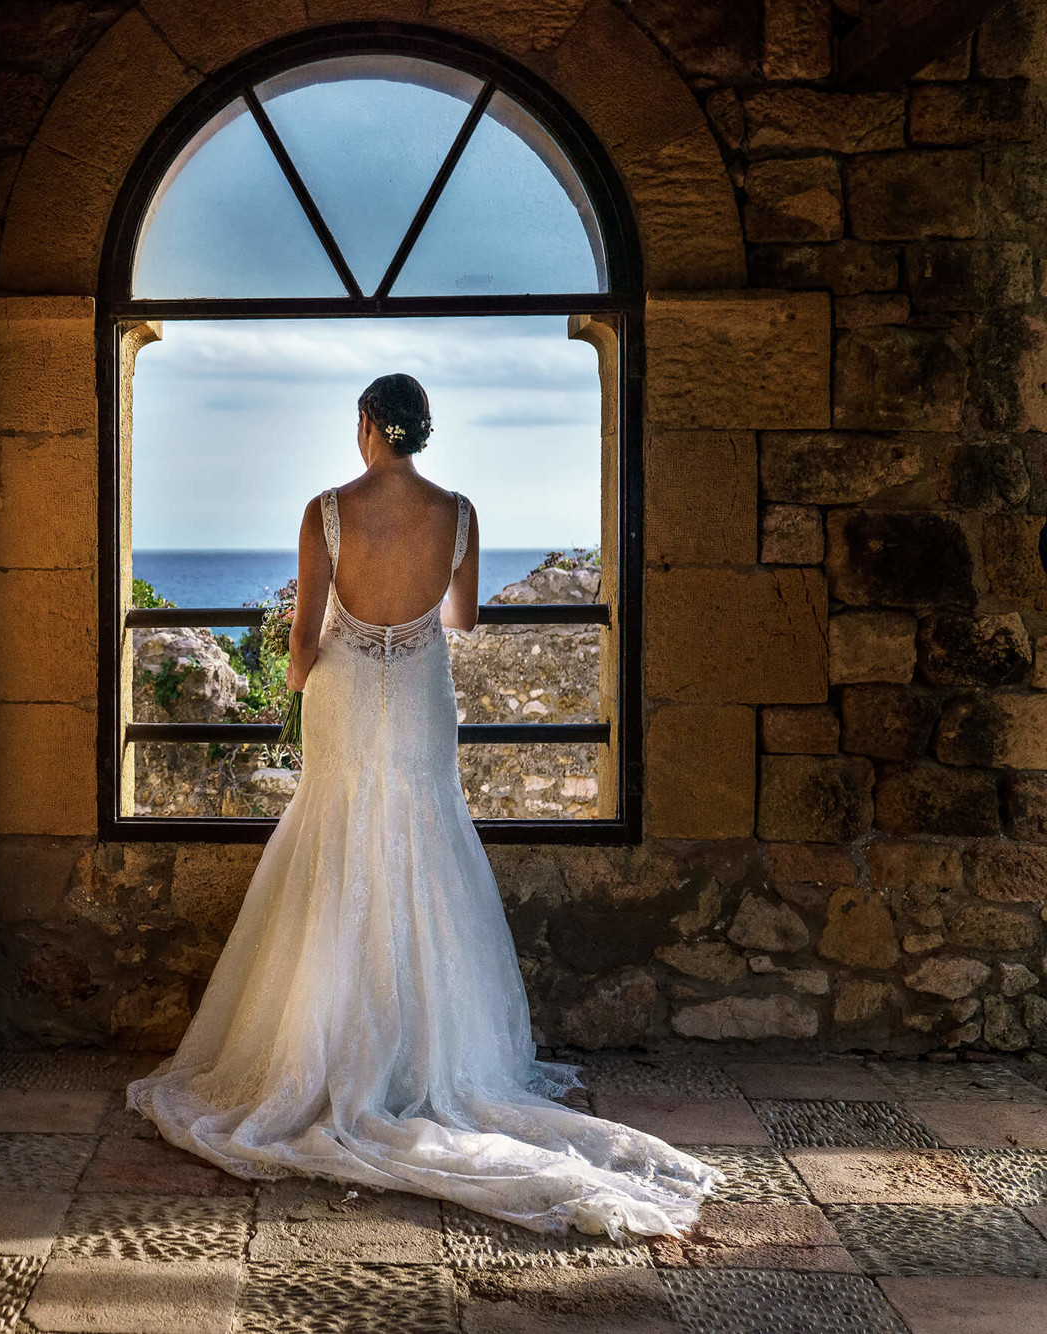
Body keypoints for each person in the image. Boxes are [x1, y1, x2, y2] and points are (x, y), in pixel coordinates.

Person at [127, 373, 722, 1239]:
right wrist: (405, 629)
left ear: (367, 424)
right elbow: (465, 620)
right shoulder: (464, 512)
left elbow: (301, 640)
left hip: (342, 692)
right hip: (418, 695)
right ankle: (425, 1057)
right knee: (421, 843)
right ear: (422, 431)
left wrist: (297, 684)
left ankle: (323, 1050)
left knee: (336, 841)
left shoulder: (326, 509)